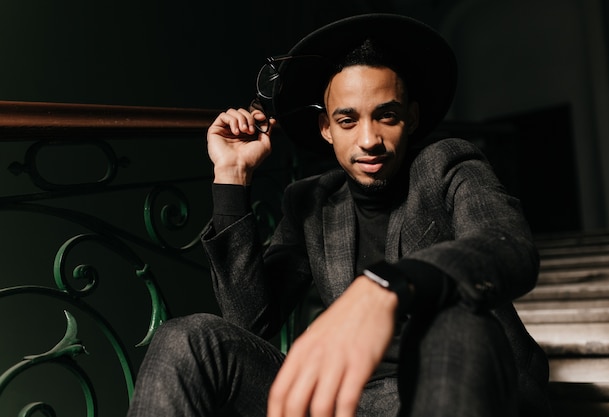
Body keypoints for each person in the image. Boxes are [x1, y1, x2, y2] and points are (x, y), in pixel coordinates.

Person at [127, 13, 552, 417]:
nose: (369, 139)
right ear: (326, 129)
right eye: (348, 121)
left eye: (386, 116)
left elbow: (508, 245)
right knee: (187, 338)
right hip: (349, 400)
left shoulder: (446, 164)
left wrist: (390, 286)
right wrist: (232, 177)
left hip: (456, 379)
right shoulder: (310, 201)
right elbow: (248, 322)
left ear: (412, 118)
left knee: (458, 325)